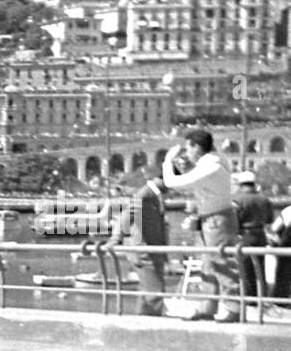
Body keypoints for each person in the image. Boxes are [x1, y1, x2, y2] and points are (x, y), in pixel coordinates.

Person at [163, 130, 239, 322]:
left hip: (216, 219)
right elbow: (197, 177)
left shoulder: (211, 168)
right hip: (212, 218)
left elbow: (172, 183)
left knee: (222, 262)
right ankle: (208, 306)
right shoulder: (216, 161)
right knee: (208, 265)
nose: (186, 152)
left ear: (197, 147)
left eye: (188, 147)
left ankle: (234, 308)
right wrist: (188, 165)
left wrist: (167, 161)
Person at [112, 168, 169, 316]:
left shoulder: (155, 195)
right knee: (155, 291)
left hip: (152, 250)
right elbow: (127, 215)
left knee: (148, 291)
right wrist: (115, 238)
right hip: (143, 250)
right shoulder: (146, 194)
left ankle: (143, 322)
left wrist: (164, 252)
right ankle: (150, 326)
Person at [231, 170, 273, 311]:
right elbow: (270, 219)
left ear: (241, 184)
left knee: (245, 269)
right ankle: (261, 297)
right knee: (260, 268)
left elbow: (234, 220)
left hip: (244, 235)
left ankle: (249, 299)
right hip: (260, 235)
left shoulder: (236, 199)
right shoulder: (264, 199)